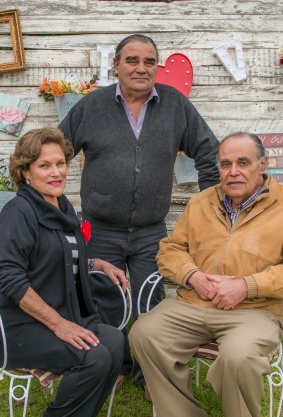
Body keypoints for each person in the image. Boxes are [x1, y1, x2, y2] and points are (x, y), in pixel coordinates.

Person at [128, 132, 283, 417]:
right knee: (144, 334)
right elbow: (171, 249)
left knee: (237, 357)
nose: (233, 171)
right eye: (226, 164)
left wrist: (248, 286)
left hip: (254, 311)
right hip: (193, 303)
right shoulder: (201, 202)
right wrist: (193, 276)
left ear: (263, 165)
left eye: (243, 162)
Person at [58, 33, 221, 396]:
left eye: (149, 61)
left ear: (156, 68)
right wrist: (54, 205)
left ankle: (149, 373)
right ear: (115, 65)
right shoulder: (92, 107)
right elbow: (55, 152)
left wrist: (210, 206)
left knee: (152, 303)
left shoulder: (176, 106)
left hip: (151, 230)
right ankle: (111, 366)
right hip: (99, 229)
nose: (141, 68)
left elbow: (209, 151)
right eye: (132, 60)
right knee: (104, 299)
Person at [0, 127, 129, 417]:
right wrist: (61, 325)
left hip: (54, 316)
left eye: (60, 163)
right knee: (93, 356)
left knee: (113, 342)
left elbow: (60, 257)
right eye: (44, 166)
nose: (56, 172)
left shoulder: (61, 207)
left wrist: (98, 263)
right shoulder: (17, 214)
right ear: (25, 173)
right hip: (15, 325)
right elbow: (11, 280)